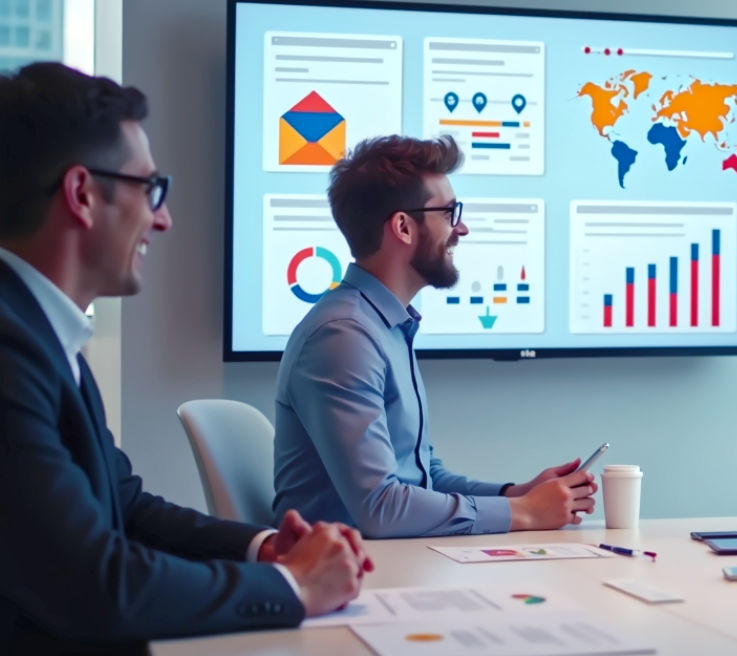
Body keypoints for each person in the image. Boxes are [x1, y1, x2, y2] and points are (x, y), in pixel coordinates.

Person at [0, 63, 372, 653]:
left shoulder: (39, 332)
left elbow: (125, 507)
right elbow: (95, 586)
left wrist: (263, 549)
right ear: (82, 194)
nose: (163, 218)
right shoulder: (11, 348)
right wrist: (293, 586)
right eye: (149, 188)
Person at [272, 134, 596, 538]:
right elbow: (382, 508)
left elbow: (422, 477)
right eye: (449, 213)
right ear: (403, 227)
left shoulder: (384, 326)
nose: (462, 228)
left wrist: (516, 496)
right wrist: (525, 513)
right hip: (354, 567)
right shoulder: (344, 337)